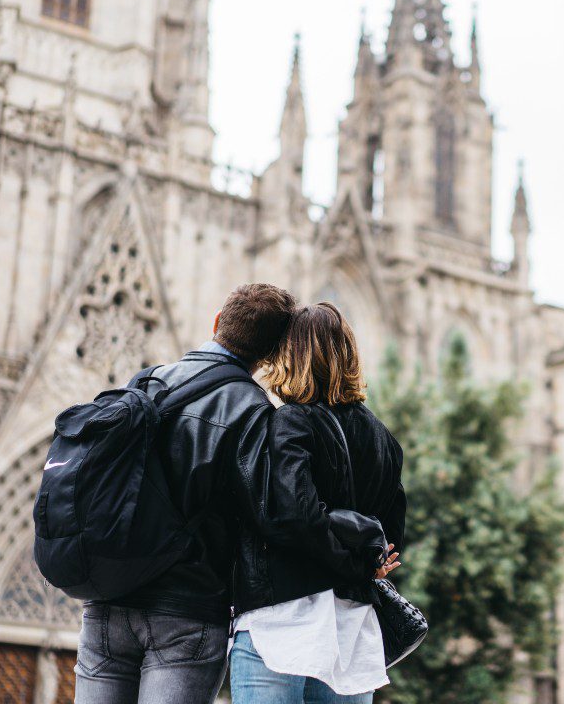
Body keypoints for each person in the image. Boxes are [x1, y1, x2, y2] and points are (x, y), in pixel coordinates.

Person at [74, 284, 365, 704]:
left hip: (108, 601)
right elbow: (272, 516)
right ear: (271, 356)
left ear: (216, 323)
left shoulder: (148, 381)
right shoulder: (256, 414)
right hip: (185, 614)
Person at [230, 302, 407, 704]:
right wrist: (364, 569)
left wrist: (347, 566)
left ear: (289, 356)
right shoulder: (384, 440)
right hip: (353, 632)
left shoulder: (293, 420)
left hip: (285, 624)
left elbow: (297, 515)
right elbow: (391, 535)